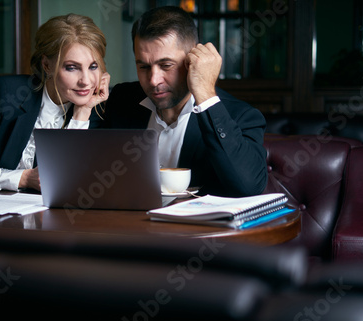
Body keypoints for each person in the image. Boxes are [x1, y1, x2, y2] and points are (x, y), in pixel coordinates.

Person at [102, 6, 267, 197]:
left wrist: (205, 94)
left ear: (193, 60)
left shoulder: (239, 116)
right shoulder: (122, 99)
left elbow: (249, 187)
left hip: (199, 227)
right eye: (144, 66)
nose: (154, 80)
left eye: (166, 65)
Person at [0, 14, 110, 192]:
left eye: (93, 66)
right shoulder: (3, 95)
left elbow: (68, 181)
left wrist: (82, 114)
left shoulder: (97, 111)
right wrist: (23, 178)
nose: (86, 81)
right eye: (72, 67)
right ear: (46, 65)